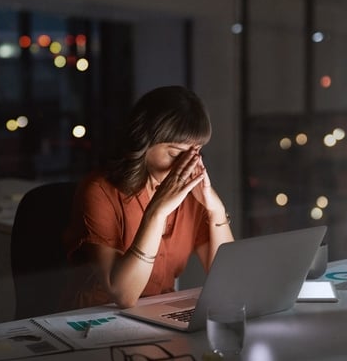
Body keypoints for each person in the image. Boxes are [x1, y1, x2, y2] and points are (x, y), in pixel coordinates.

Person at [62, 85, 234, 309]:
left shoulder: (192, 197)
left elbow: (228, 279)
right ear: (144, 142)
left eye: (195, 152)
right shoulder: (99, 191)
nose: (186, 164)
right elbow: (123, 295)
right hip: (93, 320)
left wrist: (216, 209)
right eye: (175, 153)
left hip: (156, 314)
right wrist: (158, 211)